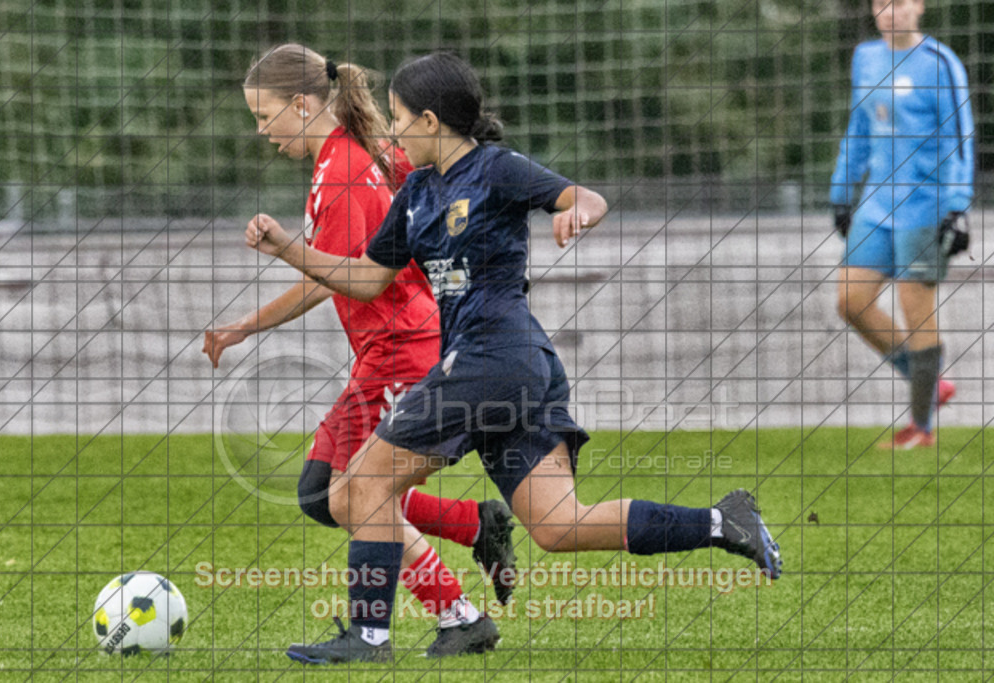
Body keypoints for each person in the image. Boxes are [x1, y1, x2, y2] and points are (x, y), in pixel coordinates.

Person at [245, 51, 783, 665]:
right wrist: (288, 247)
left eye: (396, 119)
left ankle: (369, 638)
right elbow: (368, 278)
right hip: (511, 368)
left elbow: (584, 196)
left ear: (428, 120)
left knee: (356, 488)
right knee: (559, 527)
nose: (389, 132)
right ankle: (723, 522)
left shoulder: (495, 170)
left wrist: (578, 213)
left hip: (491, 359)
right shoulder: (418, 190)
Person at [203, 44, 516, 660]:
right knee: (324, 491)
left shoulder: (344, 172)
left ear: (301, 104)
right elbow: (334, 273)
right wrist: (246, 326)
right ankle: (473, 537)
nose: (261, 131)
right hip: (387, 349)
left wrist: (286, 250)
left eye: (264, 116)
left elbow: (347, 276)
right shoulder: (341, 160)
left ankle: (396, 629)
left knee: (350, 494)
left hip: (403, 349)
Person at [831, 0, 974, 450]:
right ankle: (927, 381)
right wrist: (842, 191)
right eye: (881, 3)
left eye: (901, 1)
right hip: (875, 205)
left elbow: (960, 136)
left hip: (925, 207)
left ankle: (921, 428)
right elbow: (858, 128)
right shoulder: (866, 58)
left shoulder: (941, 64)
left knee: (917, 314)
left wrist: (956, 205)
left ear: (921, 6)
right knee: (851, 302)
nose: (890, 11)